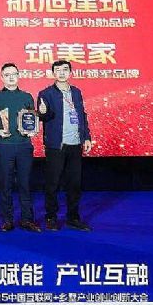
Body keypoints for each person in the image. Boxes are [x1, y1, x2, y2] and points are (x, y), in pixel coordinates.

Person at [37, 60, 93, 232]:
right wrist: (43, 113)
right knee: (52, 184)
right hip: (56, 145)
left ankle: (73, 218)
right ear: (53, 73)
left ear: (70, 72)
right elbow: (44, 117)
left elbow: (81, 115)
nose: (61, 73)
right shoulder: (45, 93)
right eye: (58, 70)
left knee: (74, 184)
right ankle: (51, 217)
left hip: (75, 144)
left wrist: (86, 137)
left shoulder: (76, 92)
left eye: (65, 69)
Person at [0, 63, 41, 233]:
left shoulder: (27, 96)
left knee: (25, 183)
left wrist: (32, 129)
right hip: (5, 146)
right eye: (7, 74)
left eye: (14, 74)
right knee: (5, 184)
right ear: (1, 77)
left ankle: (27, 219)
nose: (11, 77)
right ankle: (7, 220)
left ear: (18, 76)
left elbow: (31, 118)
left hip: (24, 145)